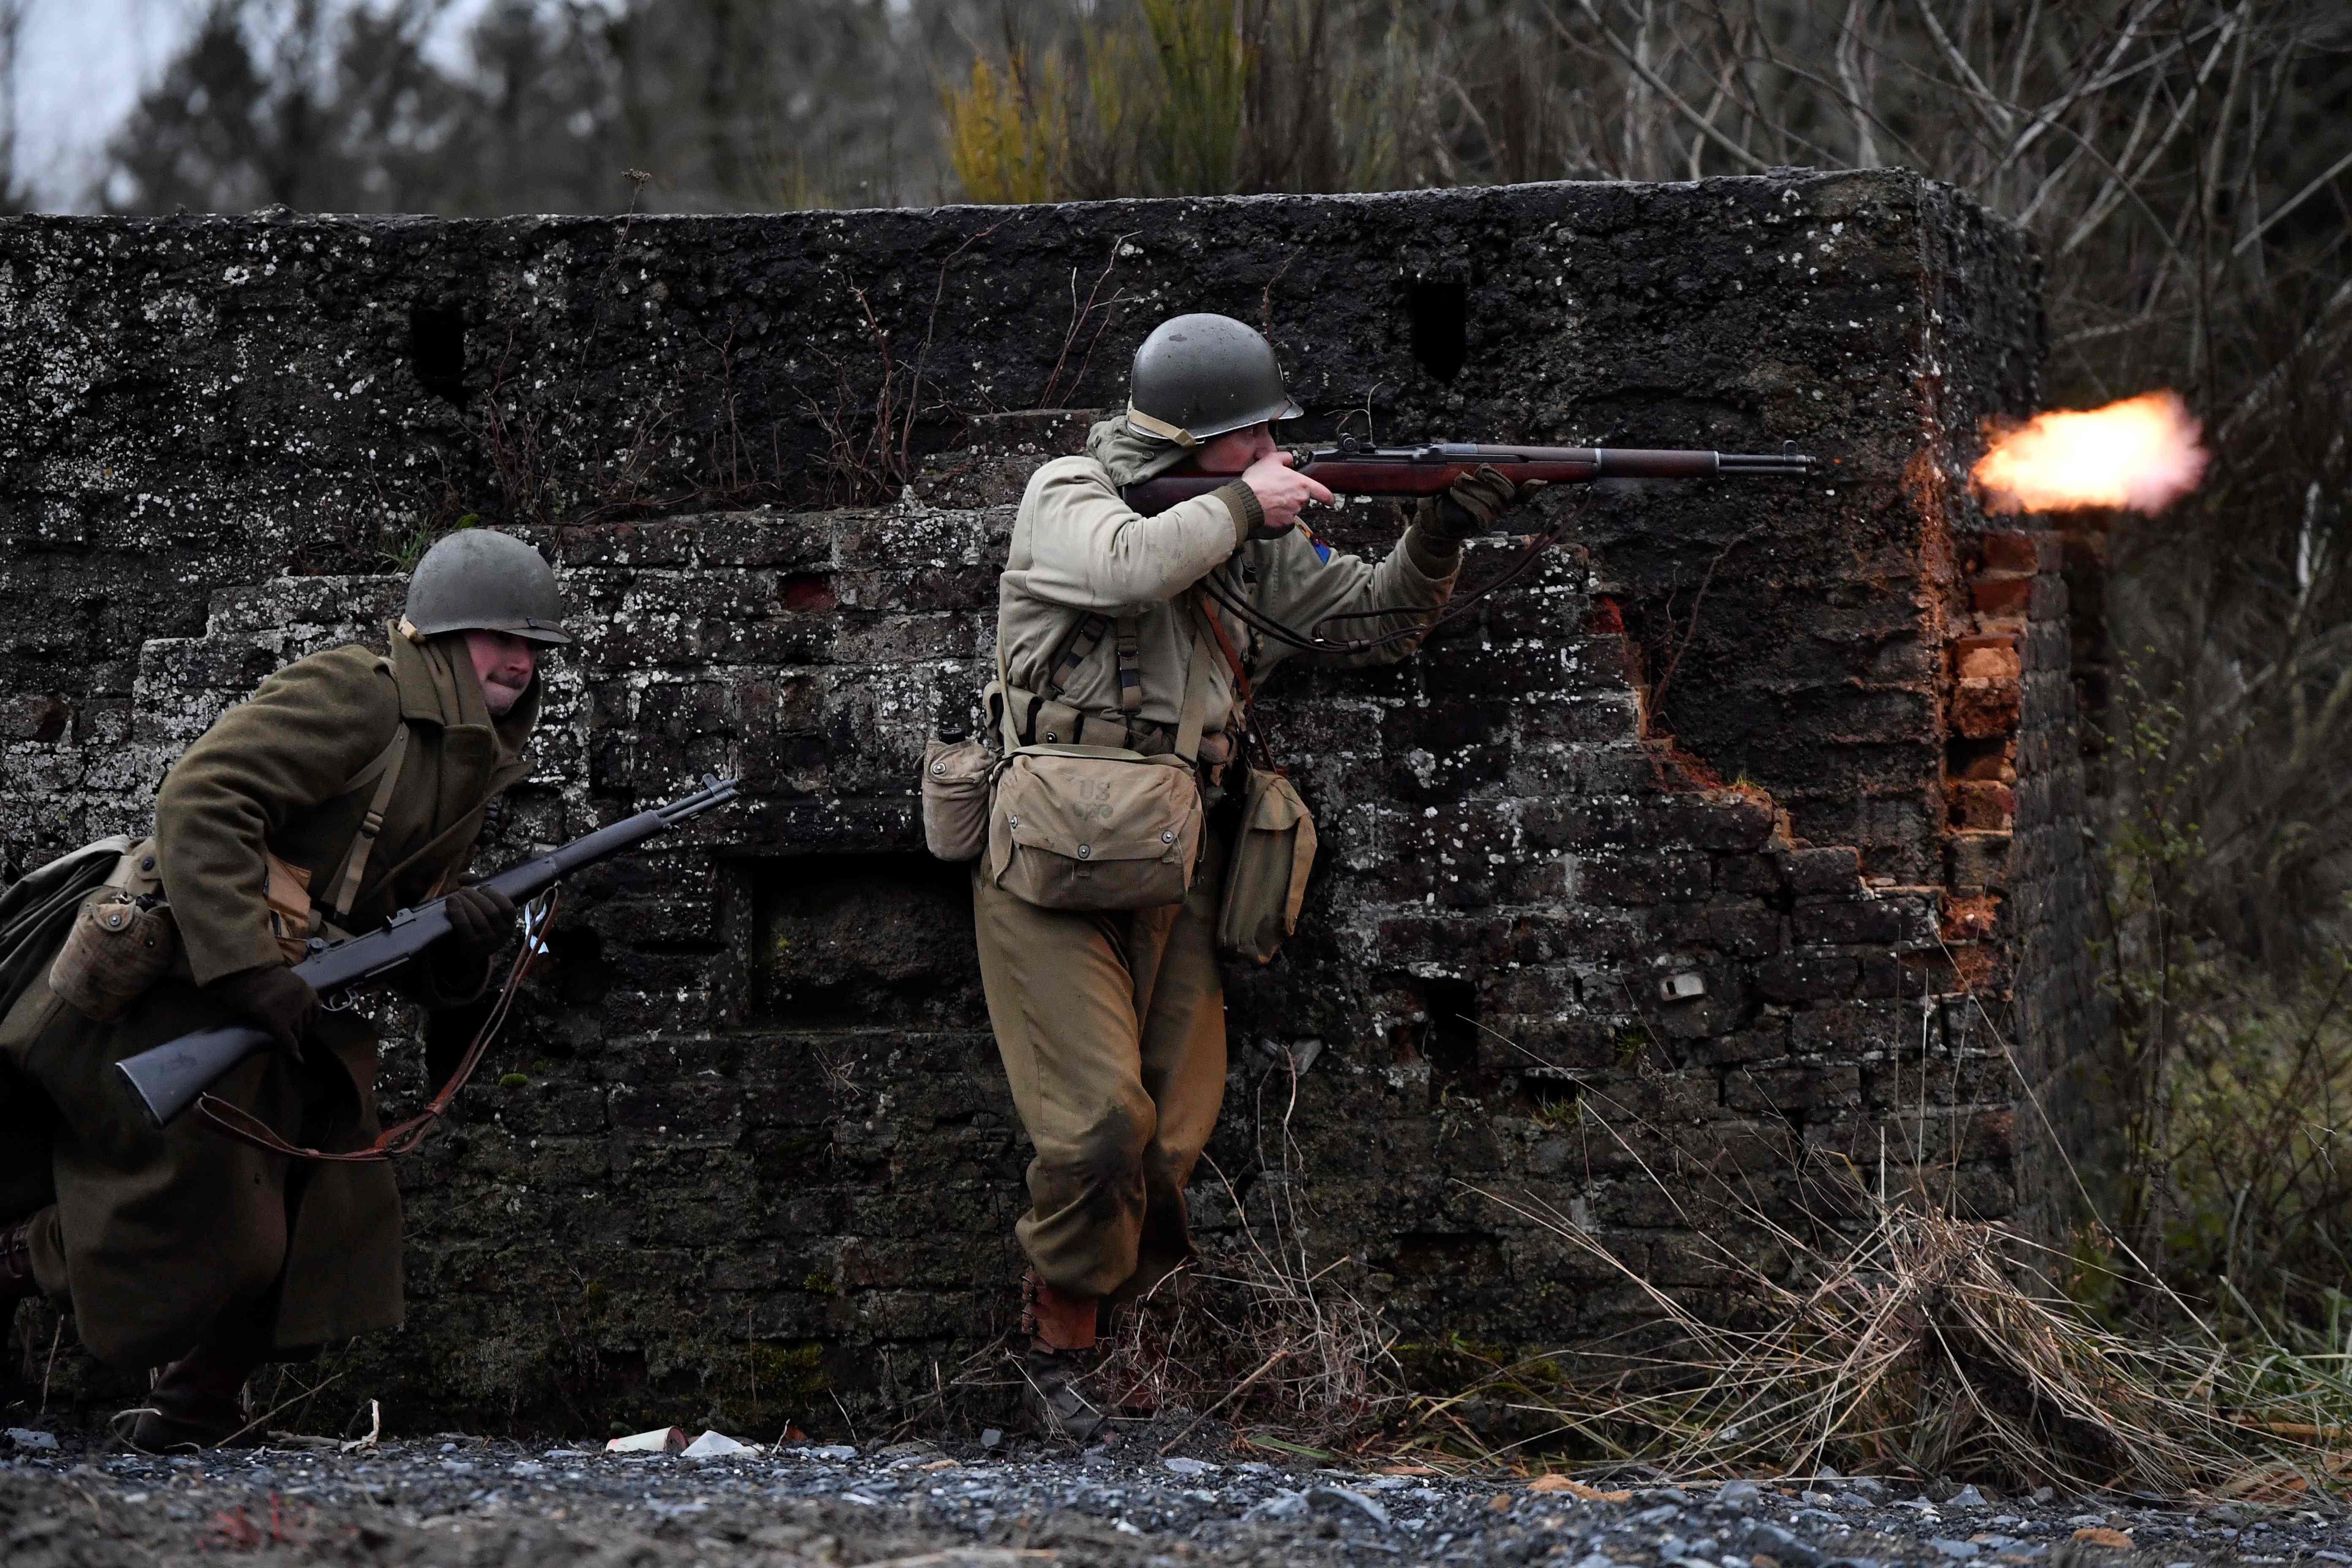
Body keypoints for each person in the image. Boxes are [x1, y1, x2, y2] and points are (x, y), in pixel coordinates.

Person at [975, 313, 1537, 1438]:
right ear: (1201, 440)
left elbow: (1374, 618)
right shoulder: (1072, 492)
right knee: (1096, 1131)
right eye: (1257, 437)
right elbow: (1123, 573)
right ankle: (1055, 1355)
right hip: (1044, 862)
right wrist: (1244, 506)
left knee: (1169, 1142)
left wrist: (1438, 536)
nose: (1279, 449)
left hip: (1181, 861)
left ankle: (1126, 1353)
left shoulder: (1251, 534)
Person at [0, 528, 568, 1450]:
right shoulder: (362, 693)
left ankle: (195, 1409)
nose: (518, 658)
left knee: (338, 1214)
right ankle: (19, 1263)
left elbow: (393, 917)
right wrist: (248, 971)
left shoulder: (471, 757)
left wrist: (459, 950)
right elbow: (202, 796)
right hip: (196, 983)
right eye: (496, 636)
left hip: (298, 1003)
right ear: (440, 639)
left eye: (534, 645)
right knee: (206, 1220)